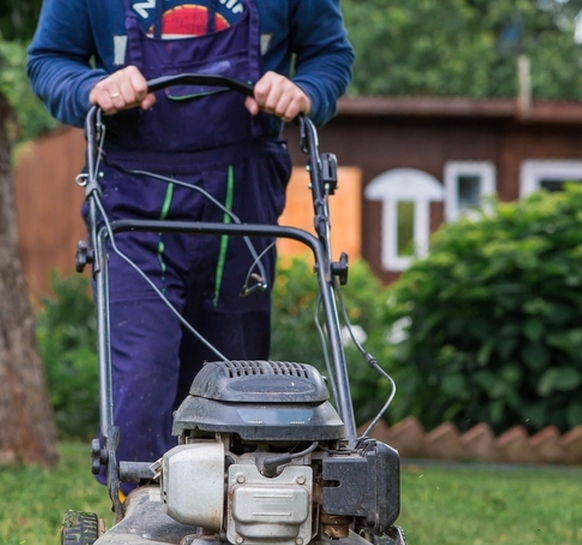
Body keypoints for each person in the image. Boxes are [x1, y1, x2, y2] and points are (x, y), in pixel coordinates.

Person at [27, 0, 353, 478]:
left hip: (243, 196)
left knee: (233, 384)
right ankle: (137, 513)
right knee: (140, 374)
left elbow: (330, 56)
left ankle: (234, 517)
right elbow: (48, 60)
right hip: (133, 201)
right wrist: (92, 87)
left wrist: (303, 90)